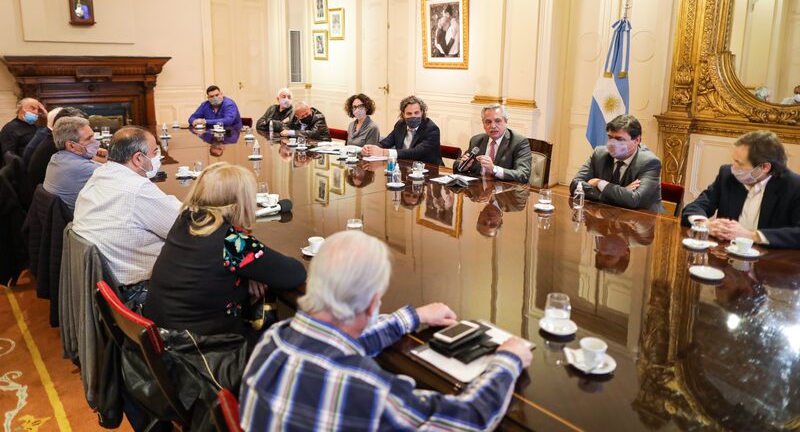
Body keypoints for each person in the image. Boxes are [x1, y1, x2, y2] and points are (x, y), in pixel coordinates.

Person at [239, 230, 532, 430]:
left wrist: (412, 318)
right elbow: (464, 419)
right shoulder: (367, 387)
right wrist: (509, 360)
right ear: (372, 305)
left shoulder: (273, 340)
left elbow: (340, 343)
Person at [144, 163, 306, 338]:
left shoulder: (187, 219)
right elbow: (295, 273)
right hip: (200, 350)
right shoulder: (231, 242)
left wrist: (249, 270)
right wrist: (251, 268)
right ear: (238, 204)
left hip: (163, 335)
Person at [73, 126, 181, 309]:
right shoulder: (137, 189)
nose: (158, 158)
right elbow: (184, 229)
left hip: (110, 287)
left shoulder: (101, 173)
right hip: (141, 291)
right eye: (155, 152)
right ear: (138, 158)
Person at [682, 130, 800, 249]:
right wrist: (706, 225)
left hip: (771, 260)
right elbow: (695, 207)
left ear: (764, 167)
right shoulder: (727, 175)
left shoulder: (794, 186)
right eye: (734, 161)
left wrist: (752, 236)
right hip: (724, 256)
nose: (734, 167)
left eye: (740, 163)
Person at [570, 114, 663, 213]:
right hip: (604, 216)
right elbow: (575, 185)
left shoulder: (650, 163)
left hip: (640, 220)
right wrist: (621, 192)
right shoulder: (599, 154)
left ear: (637, 140)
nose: (612, 144)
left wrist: (599, 183)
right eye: (610, 137)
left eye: (619, 139)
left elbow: (635, 200)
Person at [457, 104, 532, 183]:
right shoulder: (477, 140)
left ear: (506, 121)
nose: (493, 126)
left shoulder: (519, 142)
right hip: (478, 189)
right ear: (483, 124)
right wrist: (463, 165)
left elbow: (523, 174)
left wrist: (494, 169)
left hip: (506, 192)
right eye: (488, 122)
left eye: (498, 121)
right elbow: (459, 162)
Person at [362, 95, 443, 165]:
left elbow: (416, 152)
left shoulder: (432, 129)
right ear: (403, 114)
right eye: (409, 113)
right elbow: (387, 142)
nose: (413, 116)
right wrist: (371, 148)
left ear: (422, 112)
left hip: (429, 170)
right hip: (404, 167)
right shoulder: (400, 125)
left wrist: (384, 152)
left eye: (416, 113)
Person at [43, 117, 102, 211]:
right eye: (89, 138)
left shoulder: (56, 157)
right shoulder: (82, 169)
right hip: (77, 221)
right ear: (71, 145)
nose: (96, 142)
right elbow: (125, 175)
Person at [27, 107, 89, 190]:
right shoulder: (56, 146)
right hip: (53, 197)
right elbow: (84, 166)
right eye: (82, 128)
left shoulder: (53, 139)